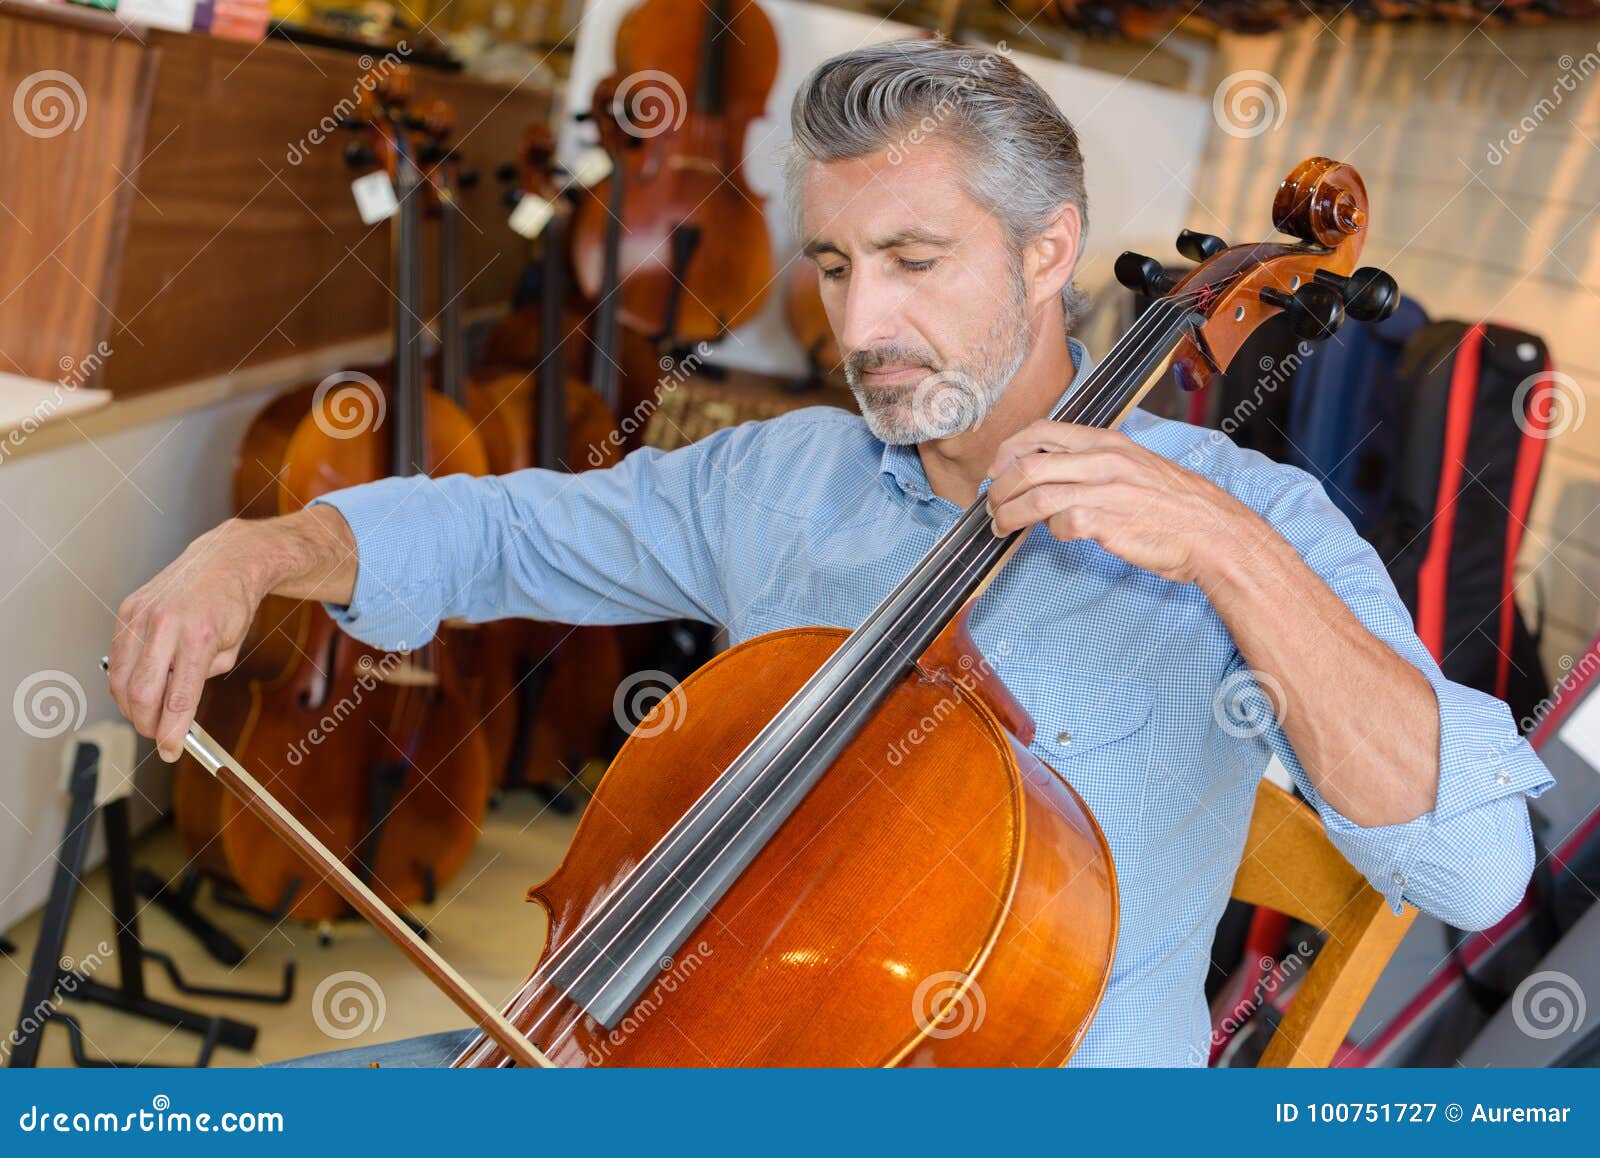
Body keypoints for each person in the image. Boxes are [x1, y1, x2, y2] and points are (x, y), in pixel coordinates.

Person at [108, 38, 1553, 1067]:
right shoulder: (788, 473)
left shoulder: (1259, 522)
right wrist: (265, 546)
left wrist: (1235, 557)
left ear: (1051, 253)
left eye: (914, 263)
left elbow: (1479, 868)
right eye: (837, 265)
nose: (858, 330)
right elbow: (506, 525)